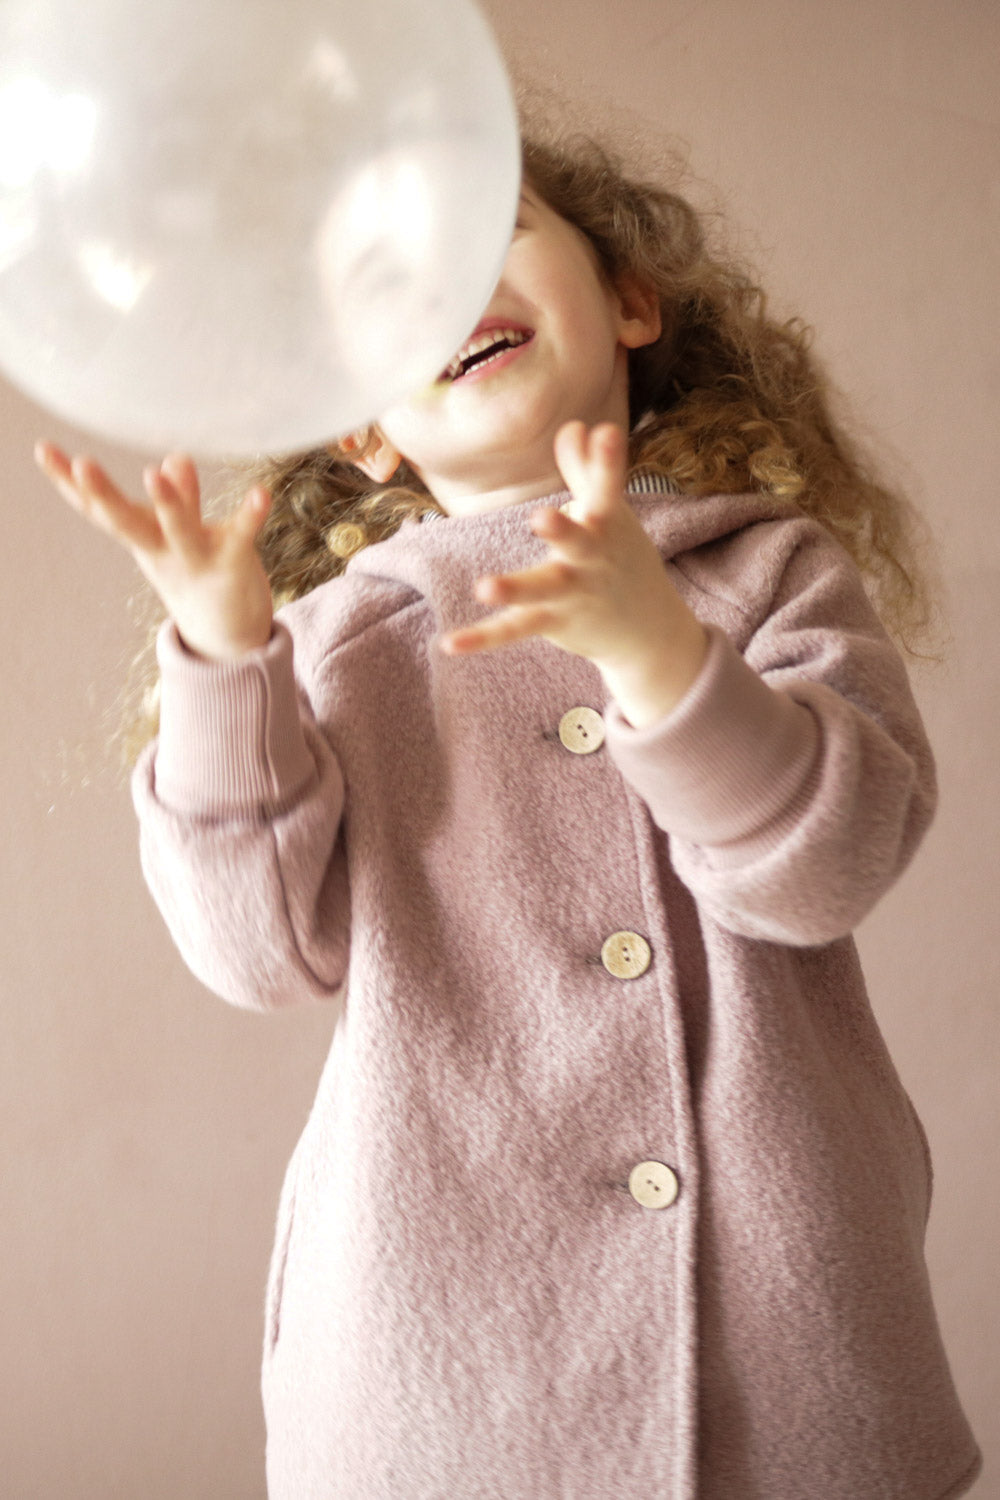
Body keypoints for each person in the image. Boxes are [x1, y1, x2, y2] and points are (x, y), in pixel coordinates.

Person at [36, 123, 982, 1500]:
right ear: (358, 424)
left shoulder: (771, 569)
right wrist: (226, 659)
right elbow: (257, 954)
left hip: (784, 1360)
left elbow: (820, 874)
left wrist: (661, 652)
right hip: (445, 1378)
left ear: (630, 301)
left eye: (487, 225)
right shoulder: (341, 645)